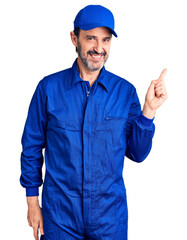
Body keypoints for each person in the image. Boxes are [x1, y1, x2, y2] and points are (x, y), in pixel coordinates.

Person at [19, 4, 167, 240]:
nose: (99, 48)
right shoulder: (48, 88)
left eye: (106, 40)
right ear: (74, 38)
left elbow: (137, 154)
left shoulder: (125, 92)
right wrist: (32, 202)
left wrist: (149, 110)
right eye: (91, 38)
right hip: (60, 217)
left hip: (109, 218)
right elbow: (32, 146)